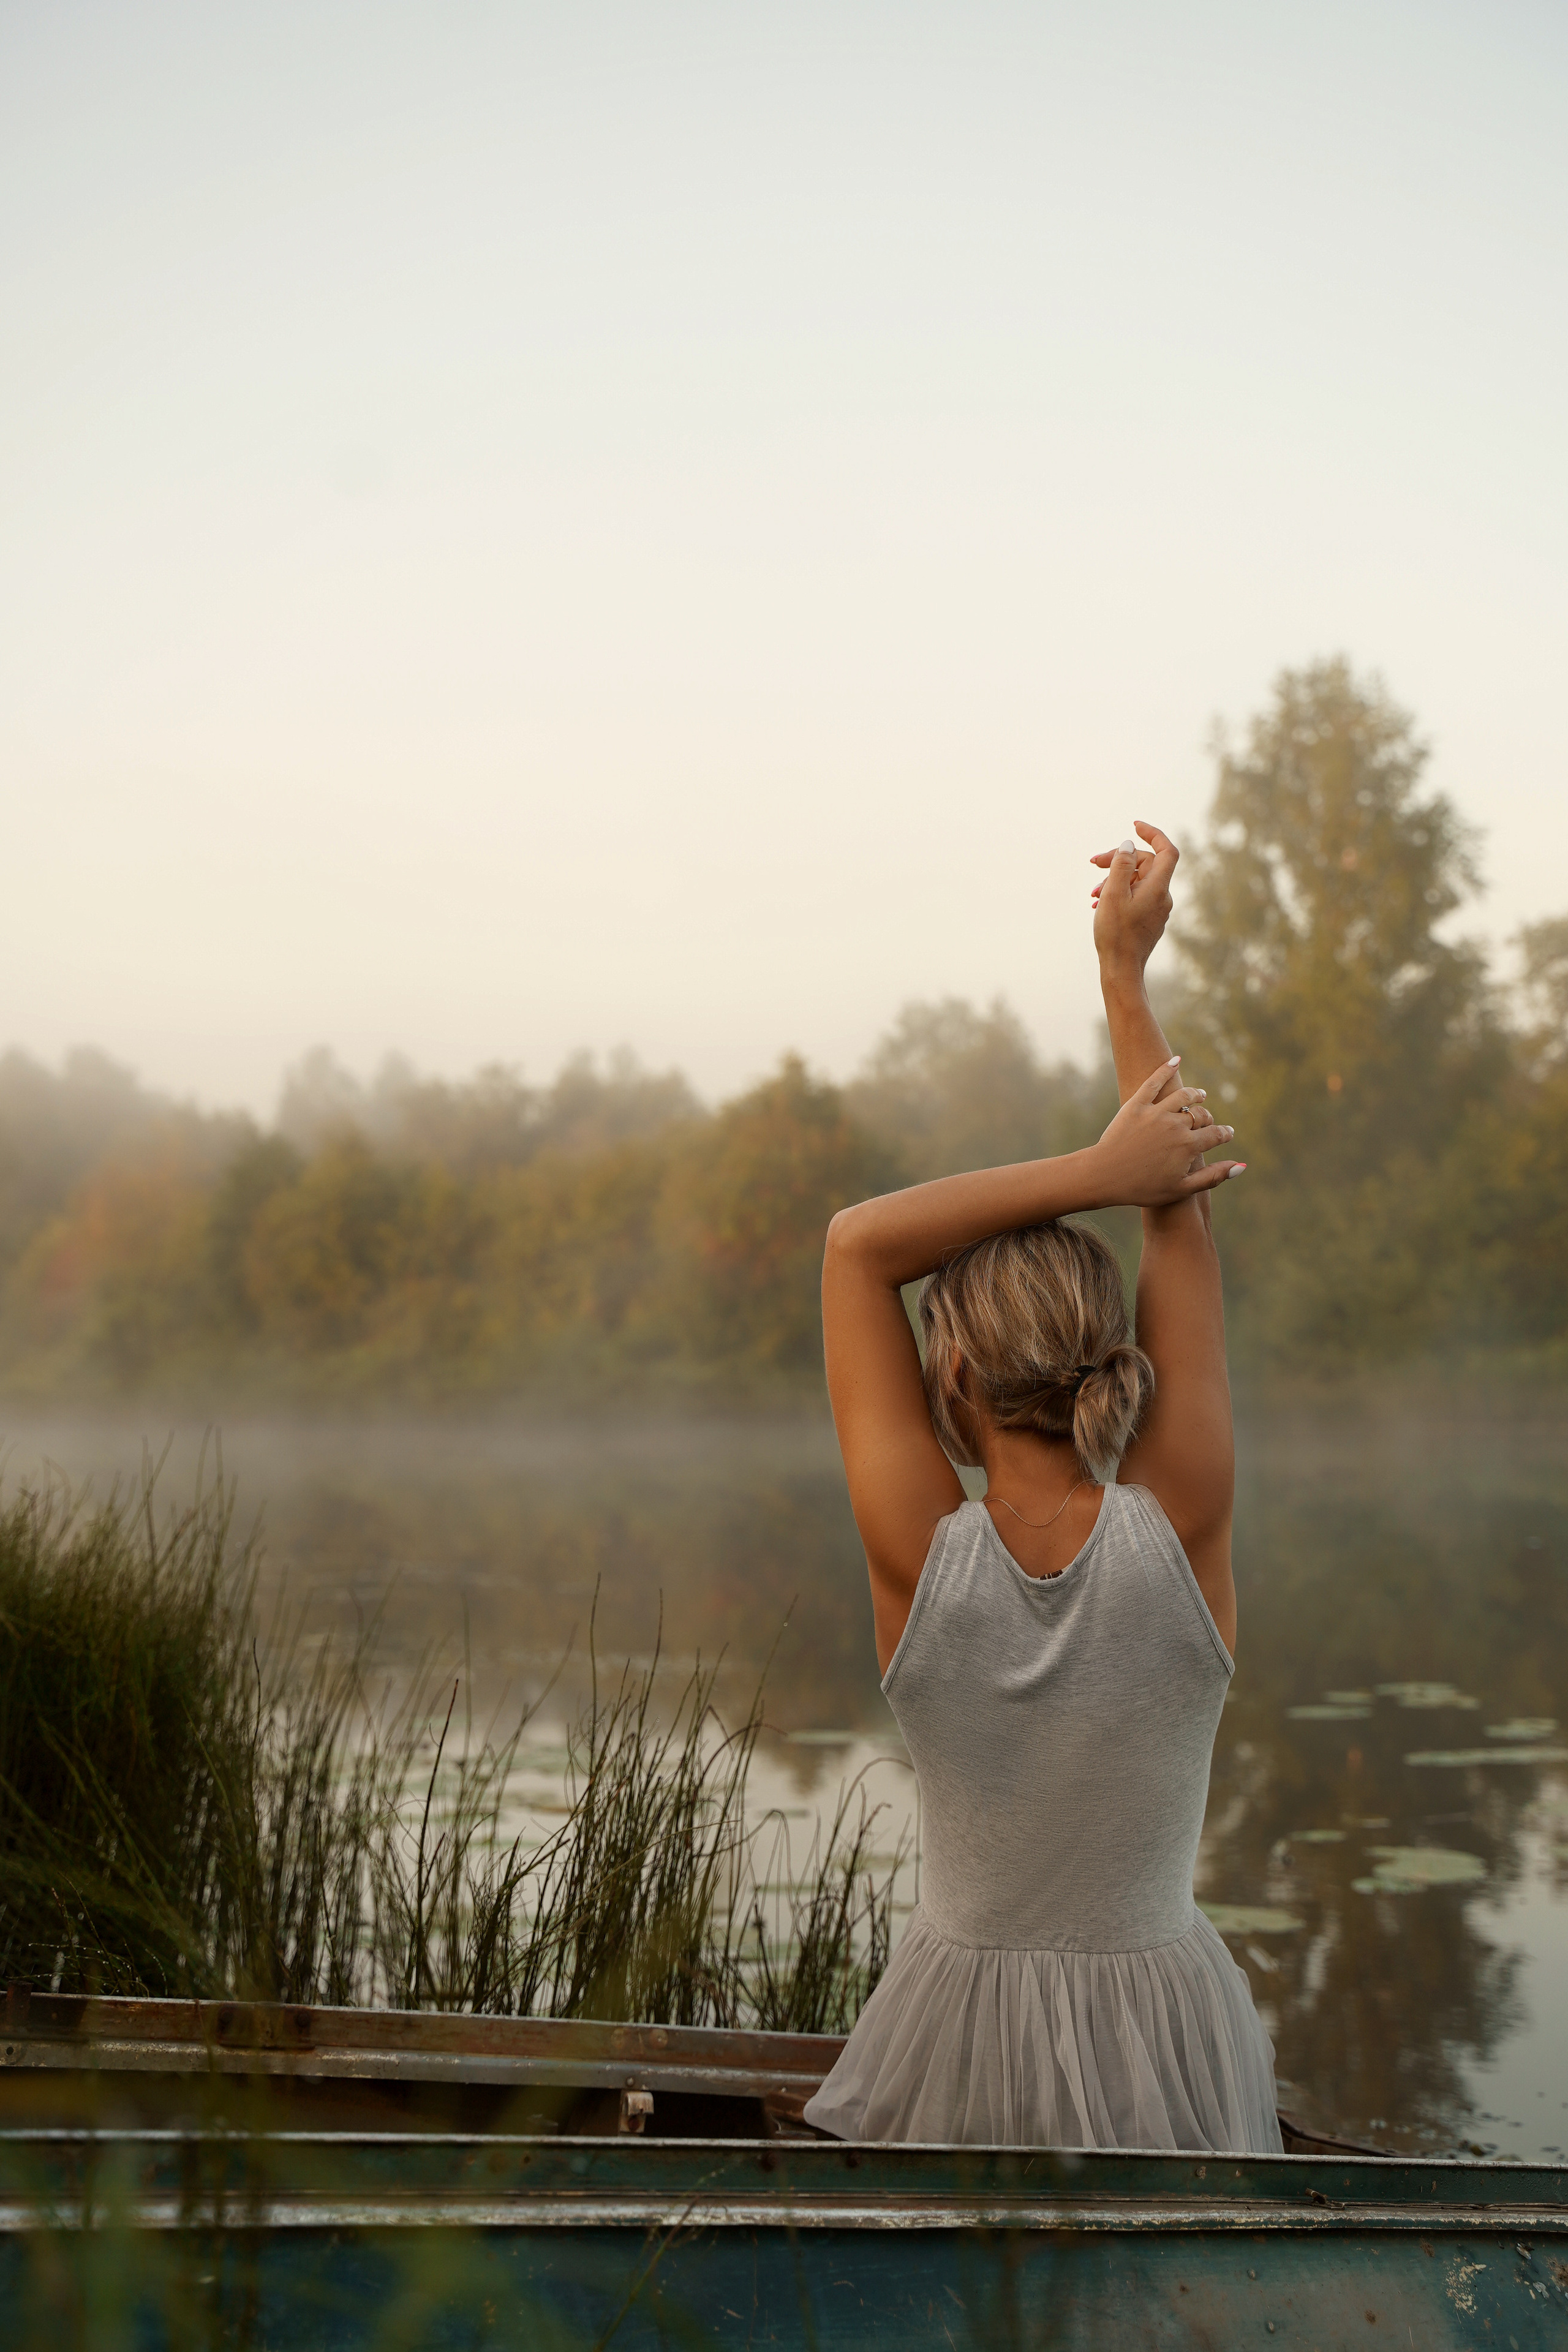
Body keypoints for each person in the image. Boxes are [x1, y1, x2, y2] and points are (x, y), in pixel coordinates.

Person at [802, 824, 1281, 2153]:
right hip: (1165, 2035)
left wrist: (1089, 1173)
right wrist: (1124, 980)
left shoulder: (920, 1554)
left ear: (945, 1372)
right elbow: (1178, 1204)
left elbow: (854, 1250)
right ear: (1109, 1351)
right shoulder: (1180, 1530)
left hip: (956, 2037)